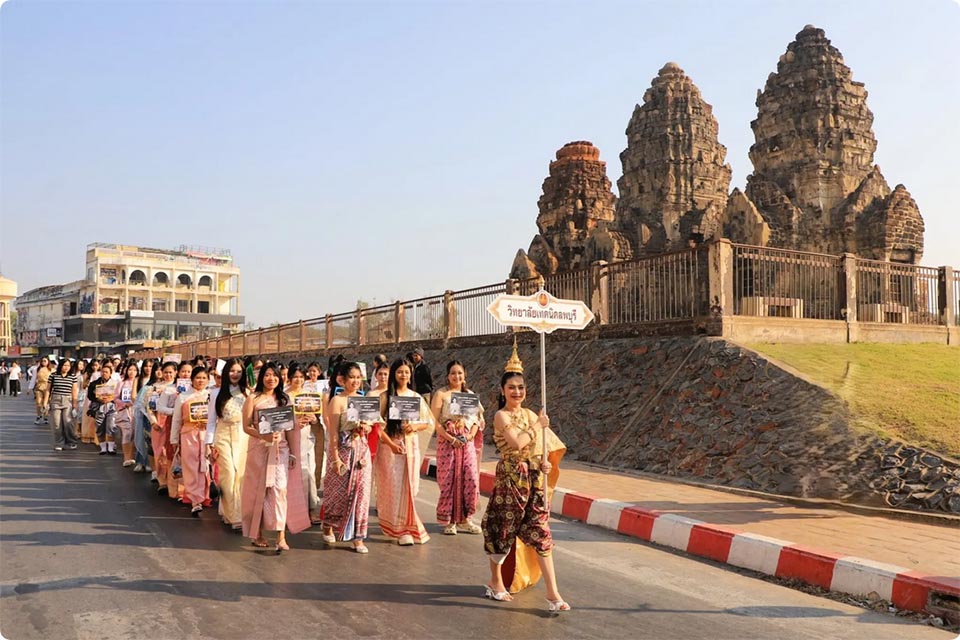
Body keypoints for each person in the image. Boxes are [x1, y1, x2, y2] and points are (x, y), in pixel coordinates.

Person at [481, 353, 569, 612]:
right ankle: (495, 581)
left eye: (521, 387)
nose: (517, 391)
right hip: (510, 477)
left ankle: (553, 594)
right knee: (503, 530)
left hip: (532, 480)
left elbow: (542, 449)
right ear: (503, 390)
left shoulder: (532, 414)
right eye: (512, 387)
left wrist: (545, 465)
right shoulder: (501, 416)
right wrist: (537, 426)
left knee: (542, 532)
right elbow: (517, 443)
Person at [240, 362, 309, 551]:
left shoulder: (284, 399)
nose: (271, 379)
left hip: (281, 451)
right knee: (258, 492)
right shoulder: (253, 398)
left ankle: (281, 536)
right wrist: (264, 436)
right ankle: (257, 533)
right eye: (268, 375)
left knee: (280, 490)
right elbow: (246, 426)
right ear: (261, 377)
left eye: (275, 375)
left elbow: (291, 428)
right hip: (259, 450)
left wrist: (293, 449)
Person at [375, 358, 433, 546]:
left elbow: (428, 422)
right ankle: (400, 529)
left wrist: (414, 427)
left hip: (411, 447)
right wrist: (391, 444)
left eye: (406, 372)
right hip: (391, 448)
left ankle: (407, 525)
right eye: (400, 371)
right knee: (393, 488)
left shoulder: (416, 397)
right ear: (394, 374)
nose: (403, 375)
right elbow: (376, 425)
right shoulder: (385, 397)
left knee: (411, 487)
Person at [321, 361, 374, 553]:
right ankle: (328, 525)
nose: (356, 381)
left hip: (361, 452)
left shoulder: (363, 399)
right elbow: (334, 431)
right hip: (343, 451)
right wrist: (335, 457)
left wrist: (366, 427)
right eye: (352, 377)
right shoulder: (337, 401)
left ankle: (358, 537)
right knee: (337, 493)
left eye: (359, 377)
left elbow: (372, 424)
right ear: (342, 379)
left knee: (361, 493)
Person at [431, 360, 484, 535]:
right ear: (448, 376)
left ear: (464, 375)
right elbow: (435, 420)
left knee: (470, 478)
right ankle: (450, 521)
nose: (457, 376)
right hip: (447, 443)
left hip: (466, 443)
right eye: (453, 373)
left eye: (459, 373)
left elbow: (476, 420)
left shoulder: (469, 395)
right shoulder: (441, 394)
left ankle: (466, 519)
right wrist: (449, 438)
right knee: (449, 480)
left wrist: (469, 436)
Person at [206, 358, 249, 530]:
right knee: (228, 473)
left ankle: (227, 510)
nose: (235, 374)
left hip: (243, 435)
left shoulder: (247, 393)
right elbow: (211, 421)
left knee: (240, 475)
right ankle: (234, 516)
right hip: (222, 434)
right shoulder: (216, 393)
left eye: (239, 371)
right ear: (225, 373)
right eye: (232, 371)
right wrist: (208, 443)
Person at [171, 367, 212, 516]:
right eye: (198, 378)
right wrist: (174, 439)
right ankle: (195, 499)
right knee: (190, 466)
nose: (200, 381)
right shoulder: (183, 397)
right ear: (192, 379)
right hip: (189, 434)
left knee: (205, 465)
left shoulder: (211, 396)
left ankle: (204, 495)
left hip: (206, 434)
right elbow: (176, 419)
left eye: (204, 378)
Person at [286, 364, 321, 525]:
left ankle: (312, 507)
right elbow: (281, 419)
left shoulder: (310, 395)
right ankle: (292, 507)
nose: (298, 380)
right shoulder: (285, 396)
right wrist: (294, 423)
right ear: (290, 378)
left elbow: (317, 416)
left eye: (301, 377)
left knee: (309, 472)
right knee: (293, 472)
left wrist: (313, 419)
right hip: (290, 437)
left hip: (307, 436)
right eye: (295, 377)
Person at [47, 359, 80, 451]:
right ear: (60, 366)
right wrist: (45, 403)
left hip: (68, 400)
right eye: (64, 365)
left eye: (68, 366)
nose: (66, 367)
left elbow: (74, 391)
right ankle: (59, 442)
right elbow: (48, 390)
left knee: (68, 422)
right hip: (55, 400)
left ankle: (71, 442)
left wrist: (74, 404)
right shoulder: (53, 375)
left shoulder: (72, 377)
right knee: (57, 423)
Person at [88, 362, 119, 455]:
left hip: (111, 407)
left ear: (110, 373)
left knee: (110, 426)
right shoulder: (94, 383)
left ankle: (111, 447)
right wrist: (98, 398)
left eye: (106, 372)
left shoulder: (115, 383)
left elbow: (118, 395)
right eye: (103, 372)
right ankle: (102, 447)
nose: (104, 373)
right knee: (100, 427)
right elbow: (89, 395)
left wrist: (111, 398)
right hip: (99, 407)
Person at [133, 359, 158, 473]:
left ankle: (151, 464)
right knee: (143, 438)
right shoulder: (146, 384)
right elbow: (138, 399)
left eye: (151, 366)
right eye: (146, 366)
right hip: (145, 415)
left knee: (153, 442)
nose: (148, 368)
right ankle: (141, 461)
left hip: (159, 416)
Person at [114, 361, 141, 467]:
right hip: (125, 411)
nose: (132, 372)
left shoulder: (139, 383)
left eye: (134, 370)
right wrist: (123, 404)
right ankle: (126, 457)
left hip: (136, 411)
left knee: (135, 434)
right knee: (127, 433)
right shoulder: (122, 383)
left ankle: (133, 456)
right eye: (130, 370)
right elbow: (115, 397)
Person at [31, 356, 52, 424]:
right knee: (38, 403)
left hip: (48, 388)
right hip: (39, 387)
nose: (43, 362)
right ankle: (38, 416)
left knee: (46, 404)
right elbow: (33, 378)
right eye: (42, 361)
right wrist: (30, 388)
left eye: (45, 361)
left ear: (48, 362)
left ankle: (45, 416)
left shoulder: (51, 370)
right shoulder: (37, 369)